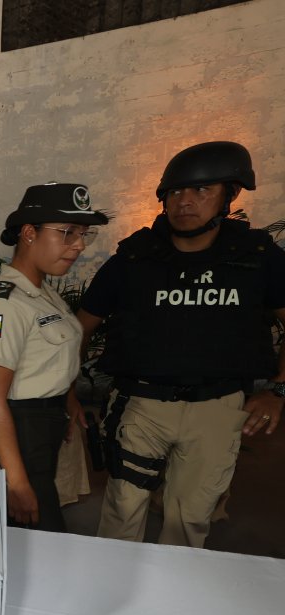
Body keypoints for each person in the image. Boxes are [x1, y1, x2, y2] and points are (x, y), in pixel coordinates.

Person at [78, 141, 285, 548]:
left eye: (202, 191)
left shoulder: (257, 257)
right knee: (122, 510)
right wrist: (65, 392)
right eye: (175, 192)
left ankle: (170, 602)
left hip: (218, 407)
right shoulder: (134, 259)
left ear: (231, 195)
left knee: (189, 519)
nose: (185, 202)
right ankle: (109, 596)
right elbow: (80, 328)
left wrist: (279, 389)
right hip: (141, 407)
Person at [0, 183, 107, 532]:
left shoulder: (42, 293)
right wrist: (16, 485)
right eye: (67, 233)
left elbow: (35, 361)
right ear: (30, 234)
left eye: (83, 234)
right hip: (13, 434)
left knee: (28, 539)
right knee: (33, 536)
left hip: (37, 429)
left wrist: (68, 399)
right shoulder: (3, 304)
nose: (78, 245)